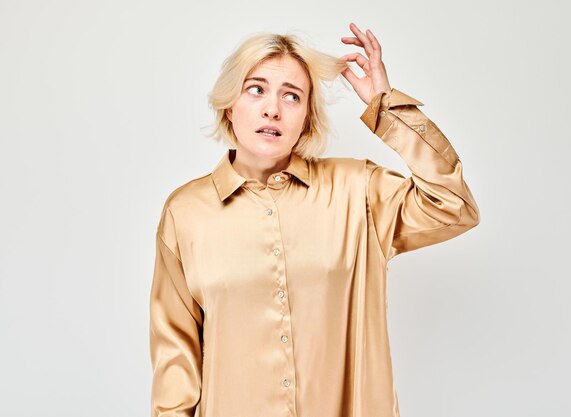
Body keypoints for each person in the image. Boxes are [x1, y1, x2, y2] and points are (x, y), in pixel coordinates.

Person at [149, 22, 480, 417]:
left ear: (306, 118)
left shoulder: (358, 191)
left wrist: (385, 106)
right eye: (256, 89)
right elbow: (176, 358)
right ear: (229, 104)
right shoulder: (185, 213)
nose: (272, 108)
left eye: (292, 96)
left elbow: (453, 204)